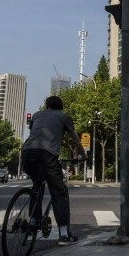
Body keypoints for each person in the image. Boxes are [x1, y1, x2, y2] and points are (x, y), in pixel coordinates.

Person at [22, 96, 86, 245]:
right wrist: (83, 155)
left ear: (46, 105)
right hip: (46, 155)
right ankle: (64, 235)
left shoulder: (37, 115)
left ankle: (33, 221)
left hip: (27, 152)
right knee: (58, 192)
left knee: (37, 186)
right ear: (61, 107)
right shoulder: (64, 117)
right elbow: (76, 139)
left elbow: (35, 133)